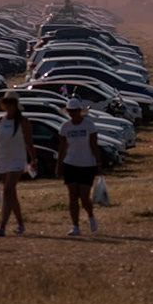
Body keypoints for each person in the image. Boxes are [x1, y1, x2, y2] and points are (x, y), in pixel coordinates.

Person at [0, 94, 36, 237]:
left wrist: (33, 159)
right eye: (6, 103)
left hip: (17, 159)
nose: (9, 106)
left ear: (16, 105)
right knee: (11, 194)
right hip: (2, 158)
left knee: (8, 190)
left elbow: (29, 142)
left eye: (11, 103)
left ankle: (2, 226)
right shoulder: (0, 121)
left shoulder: (23, 122)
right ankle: (21, 223)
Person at [59, 98, 102, 235]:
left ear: (80, 111)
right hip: (70, 163)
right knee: (72, 195)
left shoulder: (89, 125)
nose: (72, 114)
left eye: (75, 111)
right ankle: (75, 225)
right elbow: (62, 148)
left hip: (87, 164)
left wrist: (98, 164)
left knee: (84, 197)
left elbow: (94, 145)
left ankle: (90, 215)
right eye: (70, 111)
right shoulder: (65, 127)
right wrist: (58, 165)